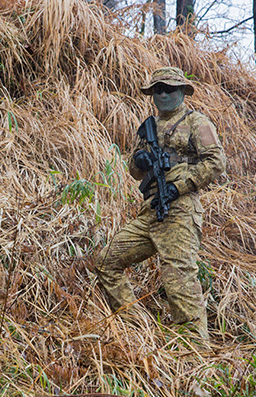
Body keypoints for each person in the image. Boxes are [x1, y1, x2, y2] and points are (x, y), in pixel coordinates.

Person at [94, 66, 226, 340]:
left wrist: (180, 187)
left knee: (179, 280)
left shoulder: (196, 122)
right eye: (157, 90)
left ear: (182, 92)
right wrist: (141, 161)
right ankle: (136, 331)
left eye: (169, 89)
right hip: (151, 211)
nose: (163, 94)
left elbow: (216, 162)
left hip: (180, 212)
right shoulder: (148, 128)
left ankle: (194, 350)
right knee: (107, 262)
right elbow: (134, 171)